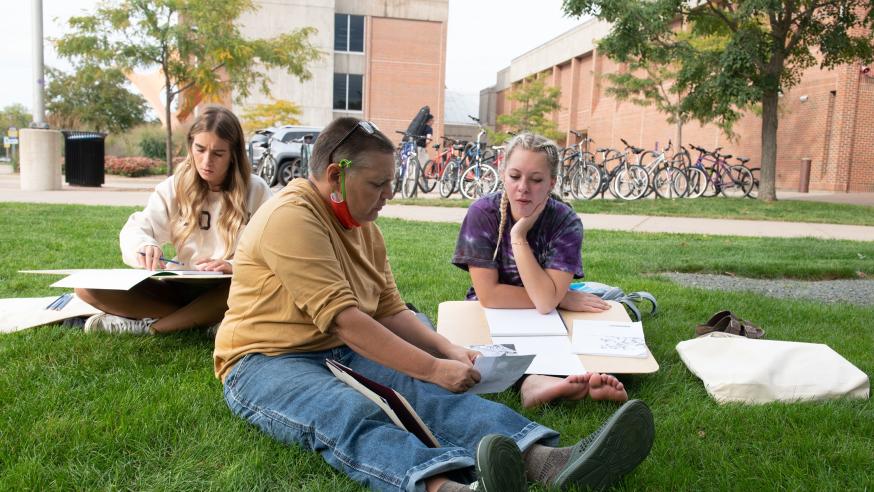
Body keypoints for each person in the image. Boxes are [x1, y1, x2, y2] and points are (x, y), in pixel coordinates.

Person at [213, 117, 654, 492]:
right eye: (378, 184)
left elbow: (388, 308)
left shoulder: (364, 226)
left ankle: (546, 461)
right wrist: (432, 366)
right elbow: (348, 322)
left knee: (425, 393)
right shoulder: (291, 217)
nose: (390, 193)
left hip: (335, 349)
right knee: (347, 412)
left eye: (391, 182)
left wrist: (445, 351)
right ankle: (444, 486)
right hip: (262, 360)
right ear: (335, 176)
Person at [452, 132, 629, 409]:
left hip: (550, 315)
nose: (523, 188)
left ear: (551, 183)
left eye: (536, 180)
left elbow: (545, 303)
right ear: (502, 174)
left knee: (569, 340)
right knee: (488, 350)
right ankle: (536, 384)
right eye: (514, 176)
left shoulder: (565, 221)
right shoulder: (482, 213)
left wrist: (518, 236)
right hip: (494, 313)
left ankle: (553, 380)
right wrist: (562, 297)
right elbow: (489, 295)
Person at [76, 106, 272, 335]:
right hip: (180, 287)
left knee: (246, 288)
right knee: (86, 288)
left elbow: (273, 249)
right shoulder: (174, 187)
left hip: (230, 288)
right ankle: (208, 322)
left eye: (218, 153)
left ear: (233, 155)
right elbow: (137, 227)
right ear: (190, 147)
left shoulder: (256, 190)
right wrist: (145, 246)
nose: (206, 161)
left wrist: (233, 265)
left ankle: (154, 327)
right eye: (199, 149)